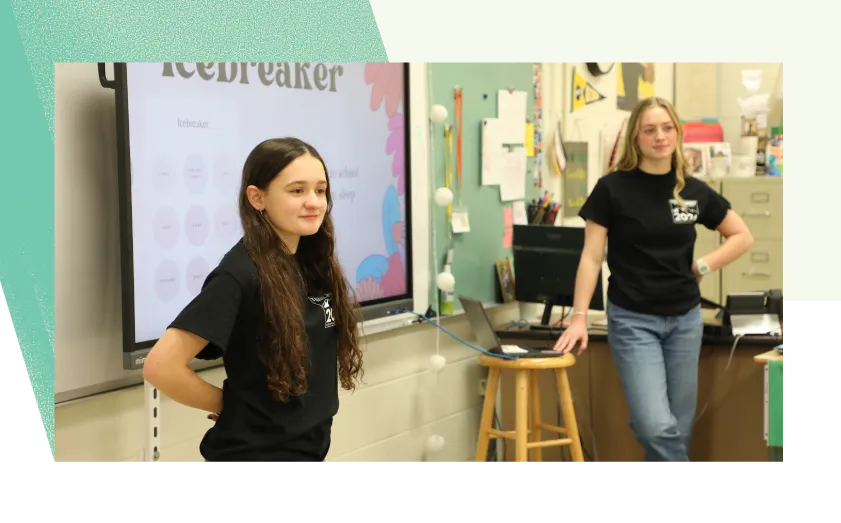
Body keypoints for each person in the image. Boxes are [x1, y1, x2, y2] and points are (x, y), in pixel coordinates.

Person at [552, 97, 754, 464]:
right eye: (650, 130)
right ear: (636, 138)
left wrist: (703, 266)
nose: (660, 137)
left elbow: (742, 236)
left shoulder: (692, 191)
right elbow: (592, 257)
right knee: (656, 428)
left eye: (667, 128)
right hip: (633, 319)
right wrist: (579, 315)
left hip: (685, 320)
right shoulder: (611, 189)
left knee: (677, 428)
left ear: (676, 132)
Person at [142, 137, 364, 464]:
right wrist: (229, 406)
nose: (315, 202)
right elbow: (161, 366)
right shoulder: (240, 273)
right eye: (297, 190)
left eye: (320, 190)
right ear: (257, 197)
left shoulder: (312, 260)